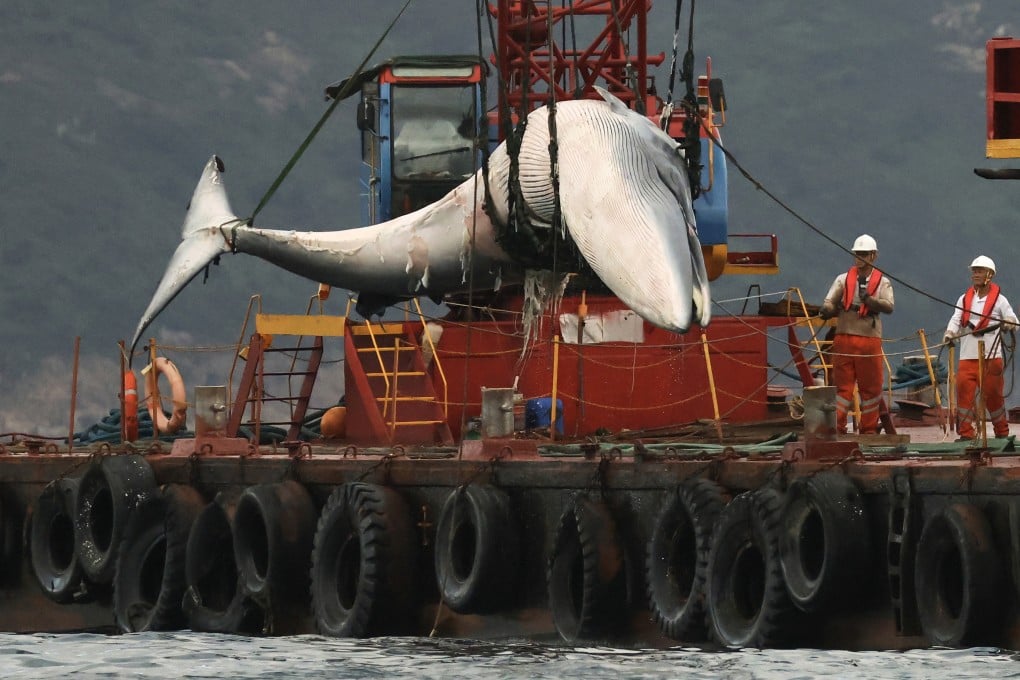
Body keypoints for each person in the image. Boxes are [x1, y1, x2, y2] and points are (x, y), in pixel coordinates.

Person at [818, 234, 895, 434]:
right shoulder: (842, 280)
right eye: (857, 254)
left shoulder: (883, 283)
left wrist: (869, 301)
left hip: (869, 339)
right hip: (844, 337)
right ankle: (838, 426)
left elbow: (889, 306)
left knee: (871, 388)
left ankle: (868, 428)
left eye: (863, 254)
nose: (859, 258)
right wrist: (826, 309)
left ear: (873, 256)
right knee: (841, 386)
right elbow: (829, 301)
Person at [943, 255, 1019, 440]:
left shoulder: (1000, 300)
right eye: (974, 271)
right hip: (967, 356)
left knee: (993, 396)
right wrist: (950, 332)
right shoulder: (963, 299)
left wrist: (1009, 322)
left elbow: (1015, 322)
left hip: (991, 357)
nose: (975, 274)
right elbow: (956, 318)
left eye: (979, 271)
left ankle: (1002, 432)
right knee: (964, 393)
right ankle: (966, 434)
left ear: (989, 275)